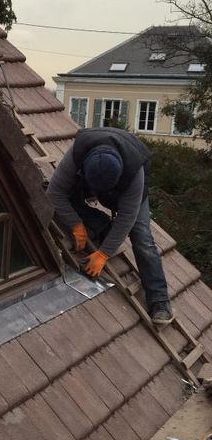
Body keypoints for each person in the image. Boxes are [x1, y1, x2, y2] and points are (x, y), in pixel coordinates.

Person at [47, 126, 173, 324]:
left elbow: (127, 217)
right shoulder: (77, 154)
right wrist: (75, 224)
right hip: (89, 179)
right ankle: (104, 227)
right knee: (66, 199)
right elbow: (55, 193)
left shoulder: (134, 170)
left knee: (141, 237)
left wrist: (104, 254)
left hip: (129, 190)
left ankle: (160, 300)